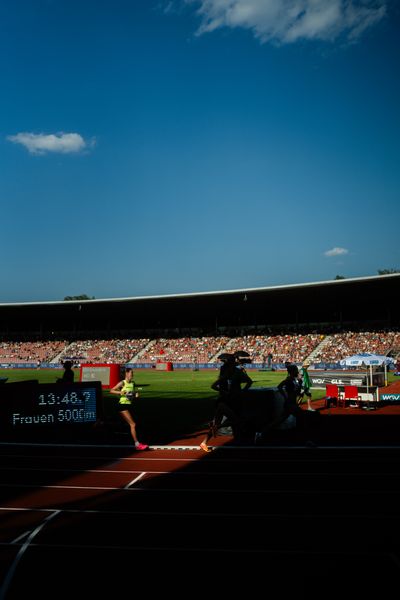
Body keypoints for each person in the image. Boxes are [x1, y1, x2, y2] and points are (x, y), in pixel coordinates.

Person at [200, 353, 253, 452]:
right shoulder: (234, 372)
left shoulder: (228, 373)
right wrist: (241, 391)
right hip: (229, 401)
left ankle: (204, 442)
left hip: (224, 400)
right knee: (236, 420)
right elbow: (249, 382)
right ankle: (218, 428)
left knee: (223, 421)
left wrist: (226, 391)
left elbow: (214, 386)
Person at [110, 367, 148, 450]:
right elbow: (111, 390)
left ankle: (103, 424)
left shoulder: (133, 383)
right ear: (126, 374)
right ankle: (137, 444)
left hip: (129, 405)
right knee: (133, 424)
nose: (132, 374)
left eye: (132, 373)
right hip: (122, 405)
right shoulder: (122, 383)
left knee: (131, 423)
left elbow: (131, 394)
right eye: (131, 372)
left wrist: (136, 394)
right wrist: (121, 392)